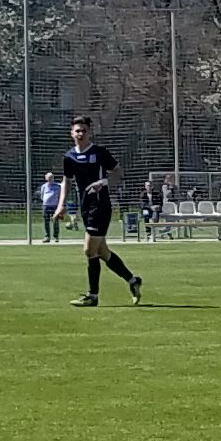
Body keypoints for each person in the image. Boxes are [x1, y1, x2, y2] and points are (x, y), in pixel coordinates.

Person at [52, 116, 143, 308]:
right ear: (71, 133)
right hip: (86, 207)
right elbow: (67, 182)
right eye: (77, 130)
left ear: (89, 132)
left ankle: (92, 296)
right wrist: (61, 206)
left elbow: (118, 172)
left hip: (101, 206)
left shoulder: (99, 153)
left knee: (89, 250)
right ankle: (133, 280)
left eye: (84, 130)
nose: (80, 134)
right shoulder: (69, 157)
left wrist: (103, 182)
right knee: (102, 252)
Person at [38, 171, 63, 243]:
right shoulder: (44, 186)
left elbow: (60, 195)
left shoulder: (57, 186)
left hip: (55, 205)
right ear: (46, 178)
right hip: (46, 205)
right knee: (46, 221)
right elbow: (42, 196)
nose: (50, 179)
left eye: (51, 177)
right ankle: (47, 236)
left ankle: (56, 237)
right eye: (48, 177)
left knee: (55, 221)